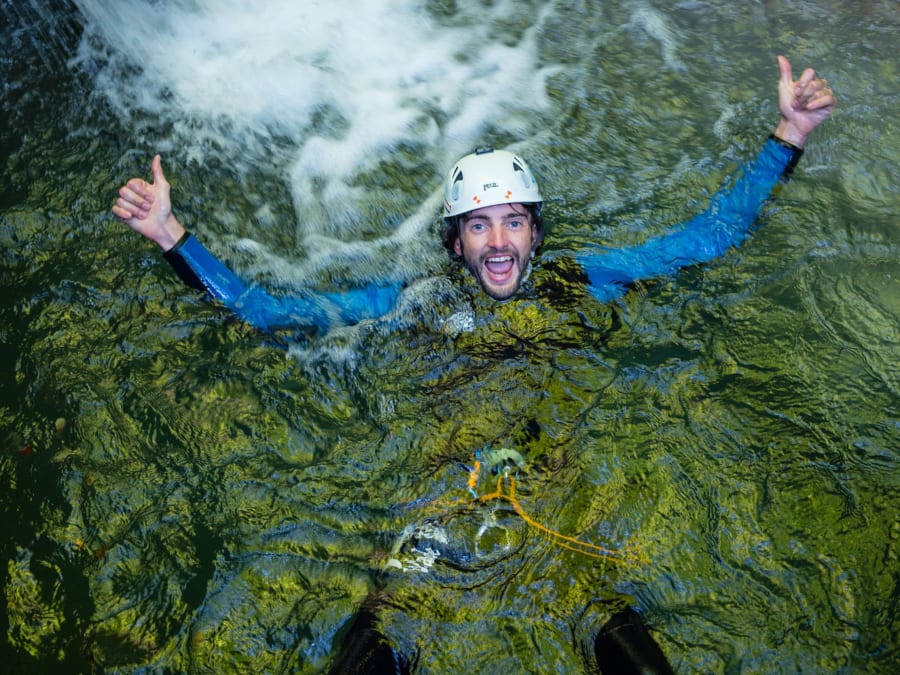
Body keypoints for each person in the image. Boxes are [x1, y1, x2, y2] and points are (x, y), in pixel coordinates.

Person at [112, 55, 834, 673]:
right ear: (455, 242)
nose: (498, 240)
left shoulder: (584, 280)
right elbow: (264, 311)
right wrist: (171, 235)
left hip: (554, 497)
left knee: (610, 623)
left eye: (514, 220)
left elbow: (709, 237)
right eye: (480, 224)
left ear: (535, 233)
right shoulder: (411, 301)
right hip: (440, 497)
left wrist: (788, 137)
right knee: (388, 624)